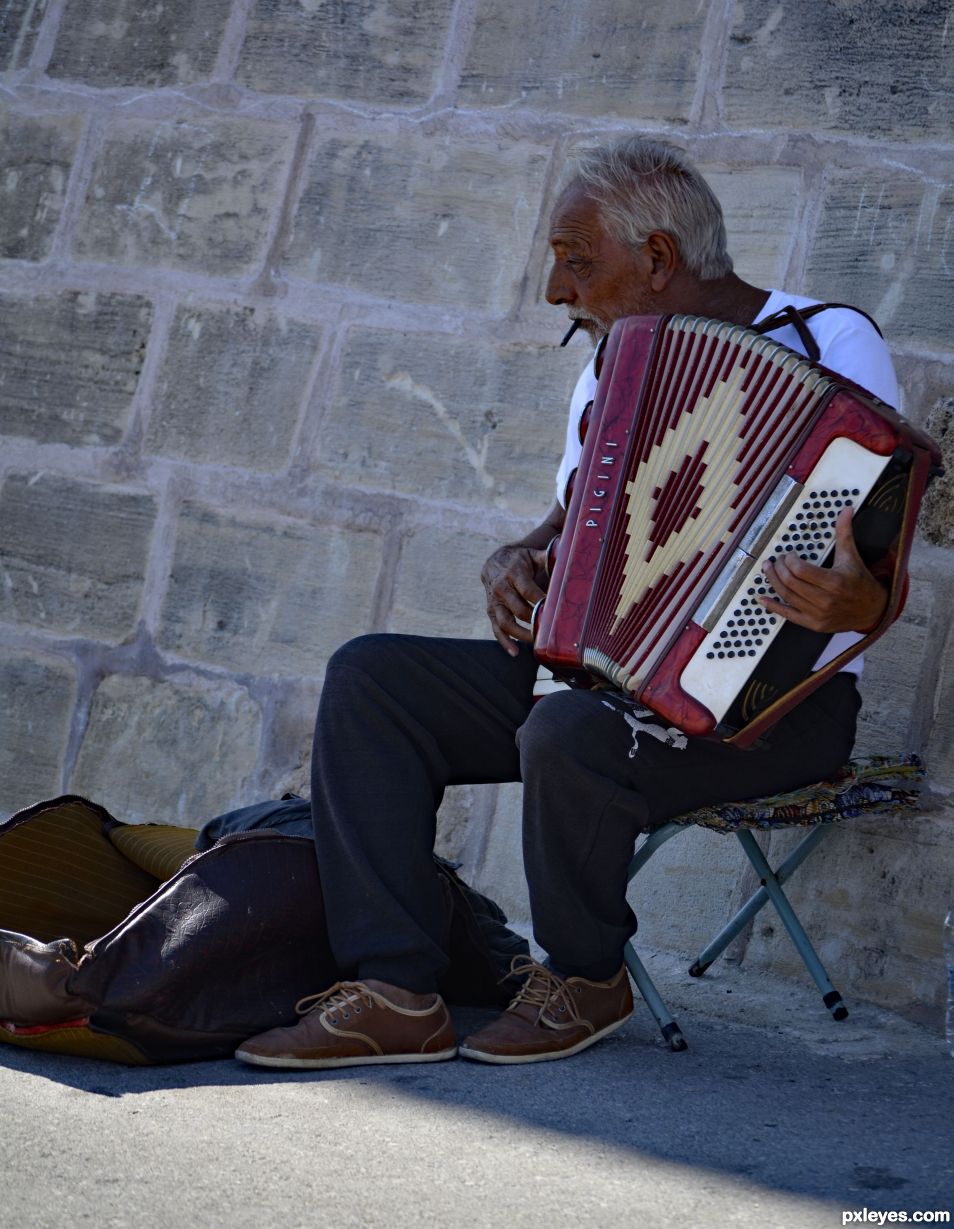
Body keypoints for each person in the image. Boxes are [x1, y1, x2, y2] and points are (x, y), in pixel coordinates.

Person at [235, 136, 899, 1070]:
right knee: (372, 679)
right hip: (603, 685)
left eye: (577, 263)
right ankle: (394, 988)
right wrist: (519, 559)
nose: (557, 293)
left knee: (570, 733)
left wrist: (856, 596)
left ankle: (585, 977)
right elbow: (579, 518)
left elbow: (872, 567)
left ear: (659, 260)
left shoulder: (827, 341)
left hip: (775, 706)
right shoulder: (611, 374)